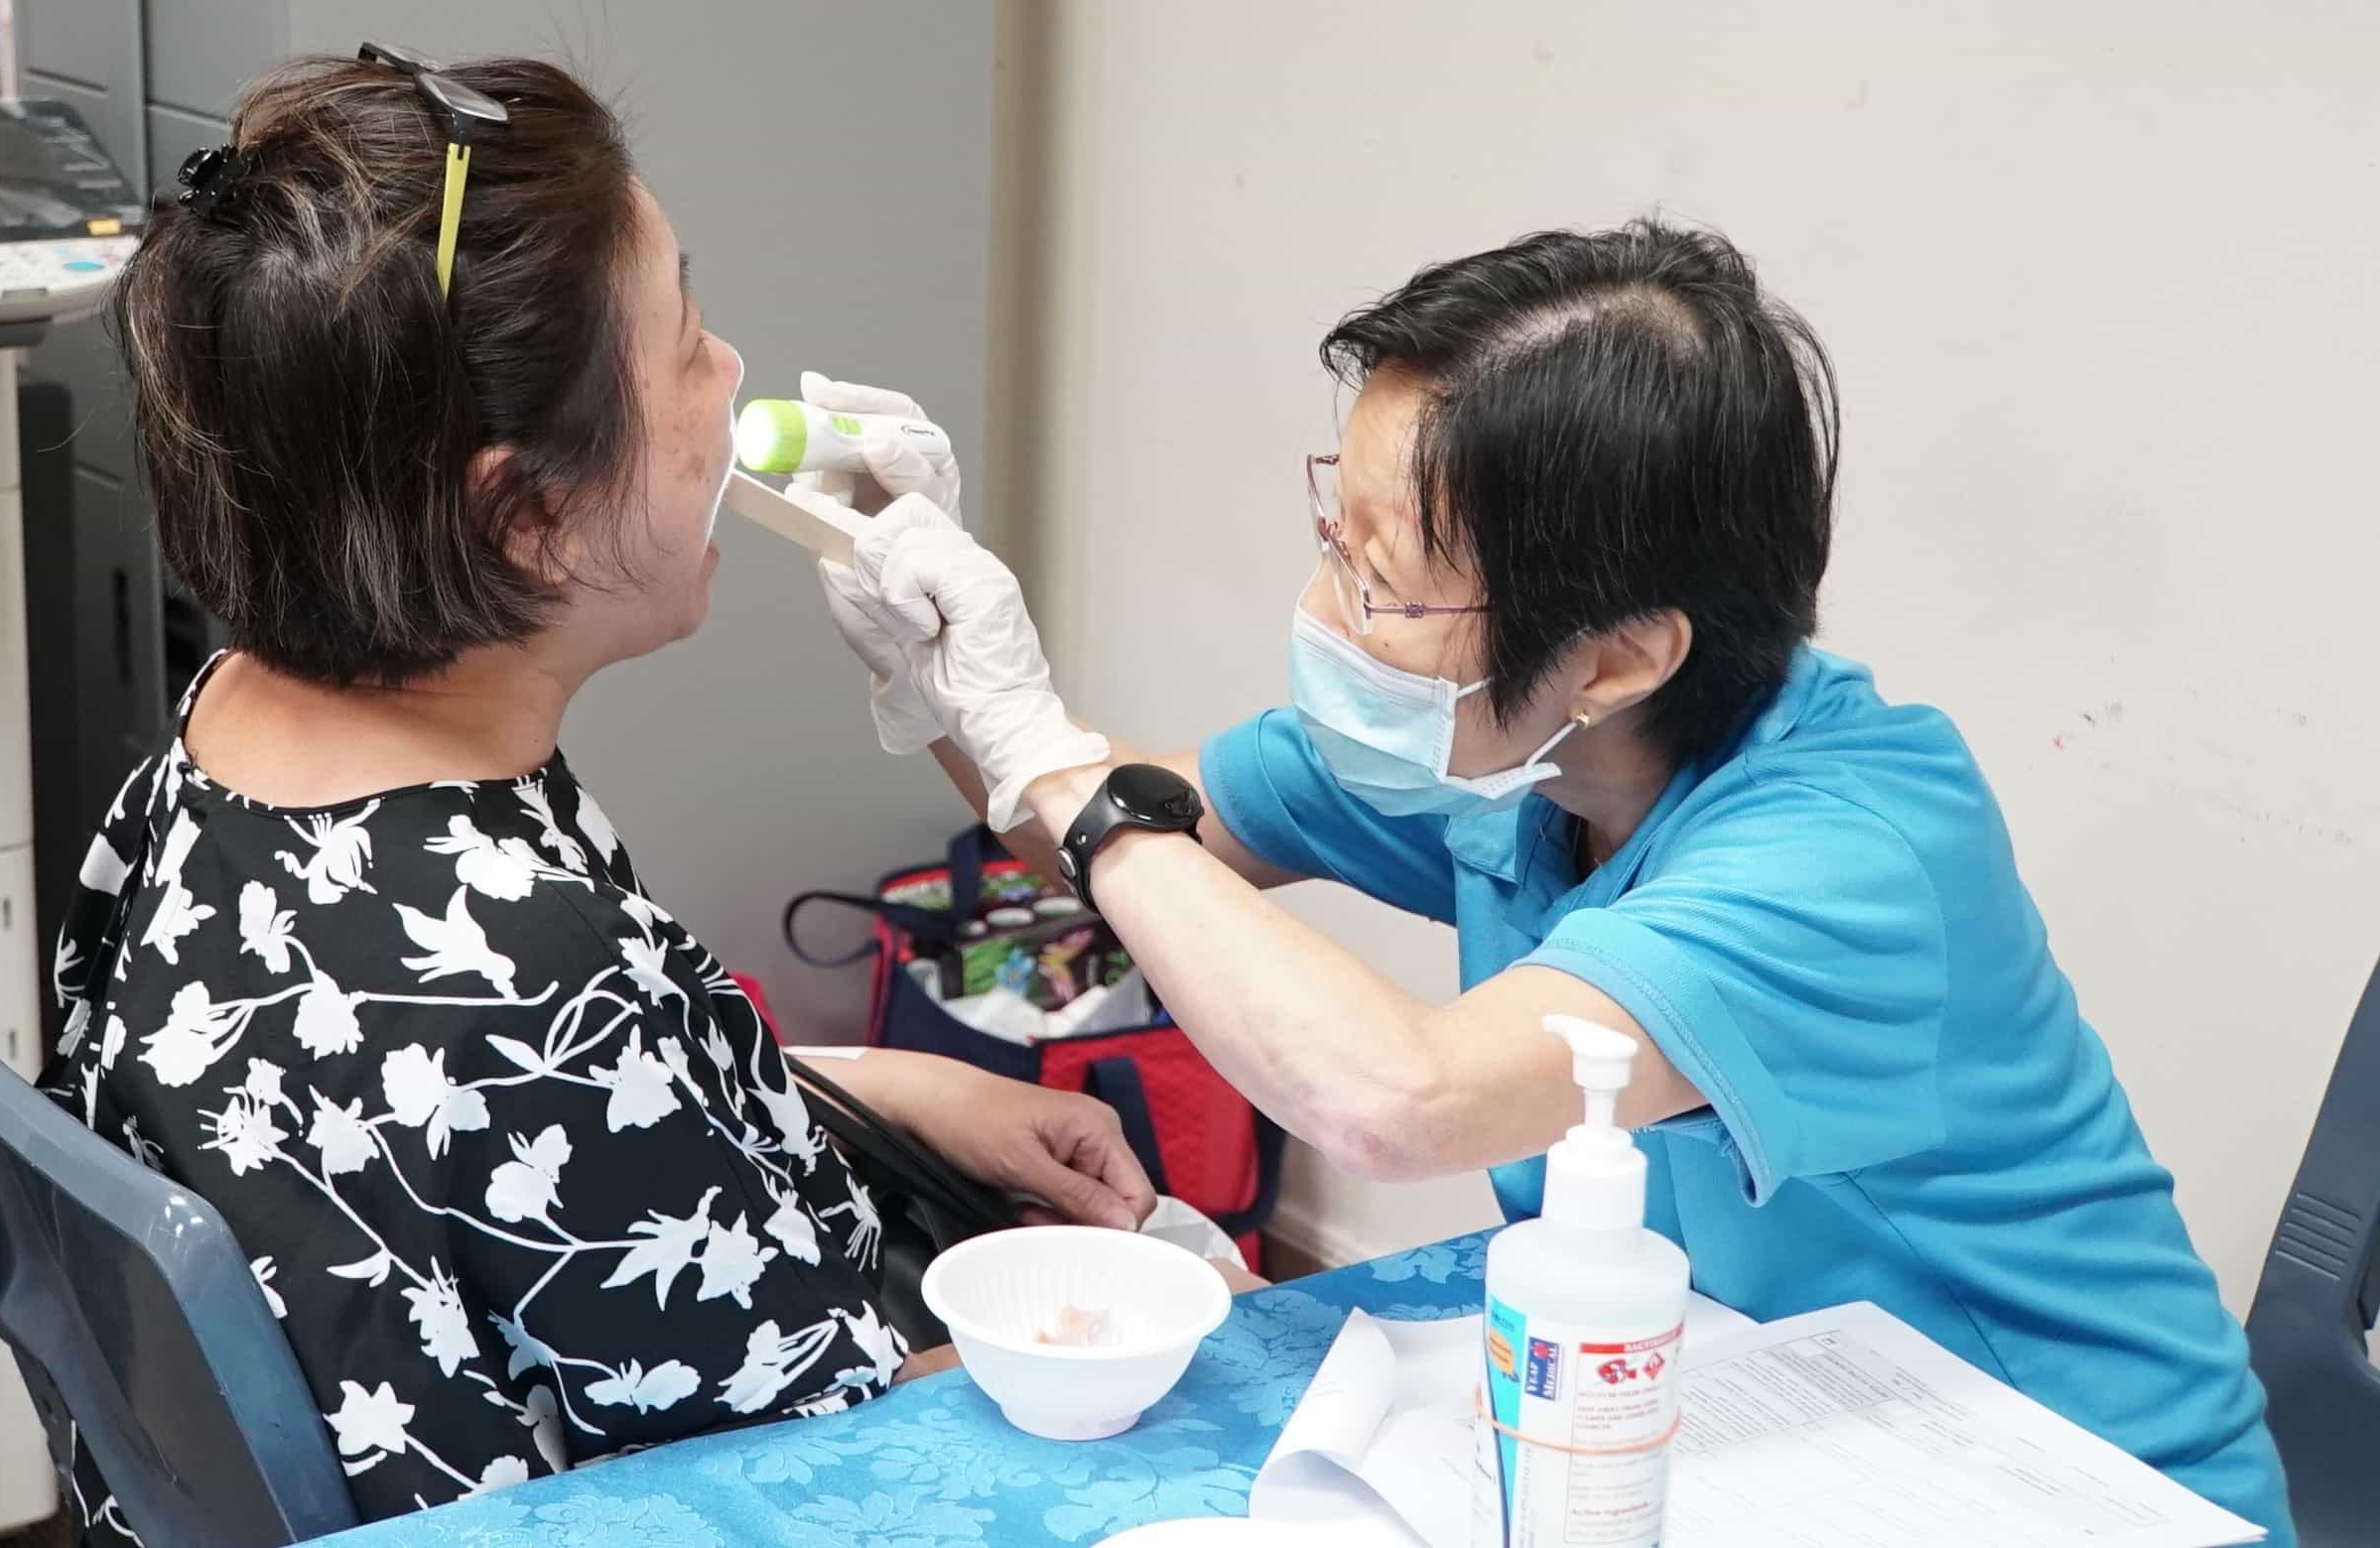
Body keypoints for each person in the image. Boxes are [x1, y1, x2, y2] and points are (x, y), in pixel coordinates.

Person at [801, 221, 2294, 1538]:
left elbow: (1399, 1097)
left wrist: (1033, 745)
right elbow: (1147, 838)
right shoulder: (1508, 761)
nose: (1326, 613)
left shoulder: (1847, 850)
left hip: (2057, 1488)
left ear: (1622, 654)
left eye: (1382, 580)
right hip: (1729, 1423)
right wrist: (957, 683)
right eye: (1338, 538)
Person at [32, 49, 1156, 1543]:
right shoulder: (517, 962)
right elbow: (827, 1490)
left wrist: (883, 1085)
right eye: (686, 338)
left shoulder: (241, 726)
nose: (732, 371)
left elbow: (460, 1132)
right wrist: (1152, 1341)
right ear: (530, 516)